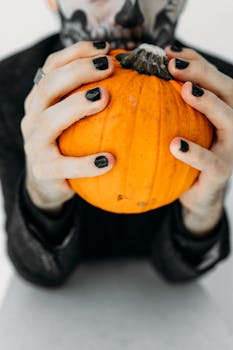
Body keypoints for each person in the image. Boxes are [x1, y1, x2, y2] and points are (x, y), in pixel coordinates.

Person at [0, 0, 232, 288]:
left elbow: (179, 276)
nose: (129, 14)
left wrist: (202, 212)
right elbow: (39, 273)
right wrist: (41, 196)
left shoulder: (217, 95)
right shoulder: (8, 86)